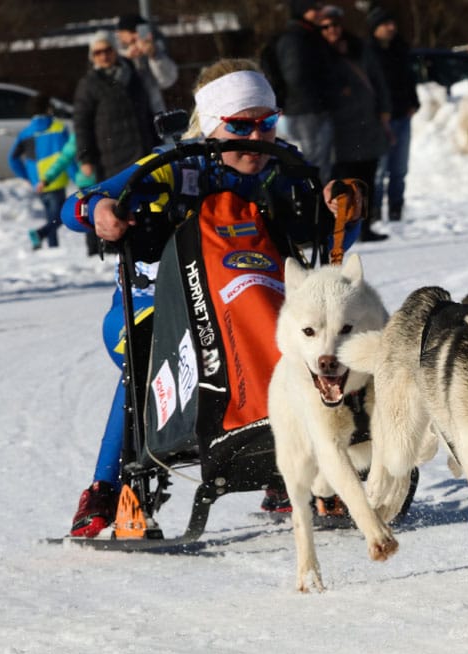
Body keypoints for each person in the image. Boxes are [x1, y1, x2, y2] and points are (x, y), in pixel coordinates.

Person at [61, 59, 365, 538]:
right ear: (214, 124)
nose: (257, 138)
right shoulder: (173, 166)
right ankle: (105, 487)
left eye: (267, 122)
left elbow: (332, 228)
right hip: (147, 310)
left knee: (294, 335)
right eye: (241, 126)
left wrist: (338, 204)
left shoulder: (282, 167)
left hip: (241, 309)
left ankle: (295, 464)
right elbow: (79, 203)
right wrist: (98, 209)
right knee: (145, 353)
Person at [73, 30, 158, 255]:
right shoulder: (89, 83)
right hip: (111, 155)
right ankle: (115, 247)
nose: (103, 56)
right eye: (98, 52)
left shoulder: (131, 74)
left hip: (142, 147)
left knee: (149, 198)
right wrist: (85, 157)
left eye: (107, 50)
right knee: (117, 202)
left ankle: (152, 241)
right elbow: (81, 123)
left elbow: (146, 110)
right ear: (92, 57)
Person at [320, 5, 391, 242]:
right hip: (340, 133)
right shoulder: (317, 54)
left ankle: (365, 227)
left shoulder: (359, 48)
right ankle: (341, 228)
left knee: (366, 182)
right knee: (342, 184)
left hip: (367, 126)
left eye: (335, 25)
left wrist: (384, 111)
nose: (332, 30)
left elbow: (378, 81)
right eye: (326, 26)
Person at [367, 6, 420, 222]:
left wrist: (414, 102)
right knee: (379, 172)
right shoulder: (367, 53)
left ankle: (396, 209)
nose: (391, 28)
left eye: (392, 23)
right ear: (375, 28)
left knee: (400, 169)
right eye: (385, 24)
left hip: (402, 115)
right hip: (379, 120)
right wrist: (376, 112)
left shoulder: (401, 48)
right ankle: (376, 212)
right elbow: (368, 88)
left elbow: (410, 78)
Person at [7, 93, 76, 251]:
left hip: (37, 181)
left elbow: (13, 159)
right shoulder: (59, 128)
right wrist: (75, 176)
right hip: (55, 178)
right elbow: (68, 155)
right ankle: (40, 234)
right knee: (59, 218)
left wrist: (27, 177)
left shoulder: (26, 133)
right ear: (48, 108)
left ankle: (53, 248)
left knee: (52, 217)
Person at [277, 0, 335, 181]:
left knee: (321, 160)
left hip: (311, 108)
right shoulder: (296, 38)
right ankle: (315, 204)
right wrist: (319, 98)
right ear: (302, 11)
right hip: (306, 110)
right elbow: (295, 77)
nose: (319, 13)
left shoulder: (309, 35)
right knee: (314, 162)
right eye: (314, 9)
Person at [115, 13, 179, 117]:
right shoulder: (111, 52)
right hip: (126, 117)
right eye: (132, 32)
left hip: (153, 114)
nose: (135, 36)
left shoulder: (154, 49)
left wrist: (154, 55)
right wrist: (126, 59)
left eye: (138, 32)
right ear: (120, 34)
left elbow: (167, 80)